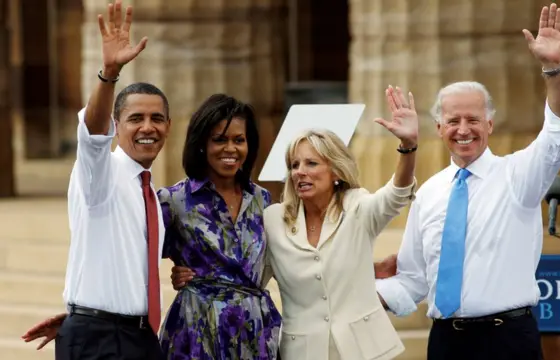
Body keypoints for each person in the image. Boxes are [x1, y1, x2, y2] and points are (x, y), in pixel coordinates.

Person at [374, 3, 560, 360]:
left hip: (507, 341)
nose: (463, 130)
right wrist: (353, 289)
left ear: (490, 125)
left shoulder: (519, 175)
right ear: (439, 129)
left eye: (473, 119)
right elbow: (413, 279)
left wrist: (553, 68)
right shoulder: (430, 193)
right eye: (453, 121)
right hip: (446, 343)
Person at [171, 85, 419, 360]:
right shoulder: (273, 217)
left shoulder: (357, 205)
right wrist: (192, 274)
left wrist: (408, 147)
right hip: (300, 350)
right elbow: (247, 267)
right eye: (294, 165)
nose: (300, 172)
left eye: (311, 163)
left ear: (336, 170)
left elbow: (396, 195)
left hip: (363, 349)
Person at [37, 0, 169, 359]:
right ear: (117, 125)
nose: (147, 127)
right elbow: (92, 135)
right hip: (99, 340)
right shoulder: (101, 172)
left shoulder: (152, 194)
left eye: (157, 118)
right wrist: (109, 74)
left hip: (139, 336)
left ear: (168, 127)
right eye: (135, 118)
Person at [157, 93, 281, 359]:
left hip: (254, 330)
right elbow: (138, 259)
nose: (230, 149)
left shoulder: (262, 199)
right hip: (196, 330)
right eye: (219, 140)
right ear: (202, 144)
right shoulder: (174, 200)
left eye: (239, 140)